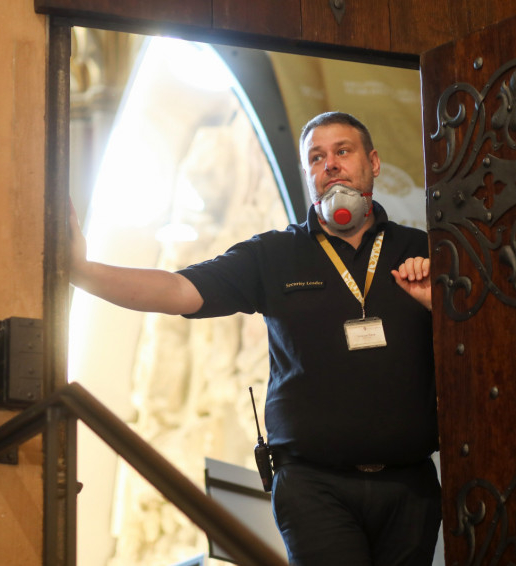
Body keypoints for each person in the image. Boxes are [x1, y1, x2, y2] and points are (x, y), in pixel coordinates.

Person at [70, 111, 441, 565]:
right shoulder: (274, 254)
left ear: (374, 162)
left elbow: (478, 343)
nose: (330, 164)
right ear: (307, 175)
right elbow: (179, 290)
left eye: (342, 151)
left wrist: (438, 305)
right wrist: (82, 272)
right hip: (314, 486)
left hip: (410, 485)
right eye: (316, 158)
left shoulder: (422, 250)